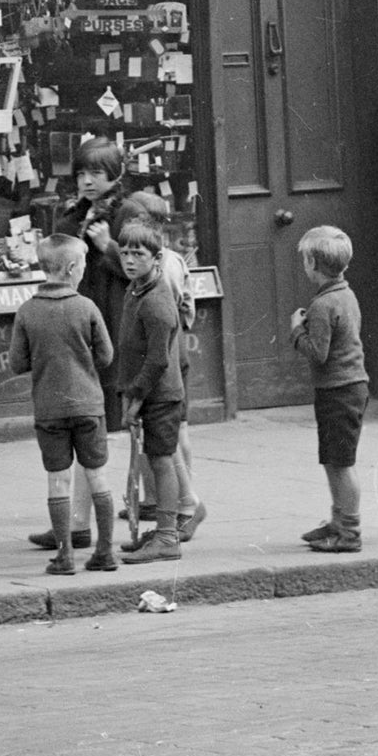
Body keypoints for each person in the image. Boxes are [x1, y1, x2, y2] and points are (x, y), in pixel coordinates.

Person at [6, 234, 117, 575]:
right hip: (88, 406)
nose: (84, 270)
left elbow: (17, 363)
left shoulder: (27, 311)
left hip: (50, 408)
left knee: (58, 480)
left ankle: (65, 555)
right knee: (97, 476)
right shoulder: (87, 307)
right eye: (83, 264)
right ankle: (104, 552)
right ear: (71, 268)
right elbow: (106, 356)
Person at [44, 138, 130, 545]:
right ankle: (78, 523)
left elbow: (144, 267)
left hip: (110, 328)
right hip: (77, 326)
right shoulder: (75, 213)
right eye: (81, 173)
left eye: (96, 172)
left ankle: (81, 524)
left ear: (116, 173)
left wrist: (107, 246)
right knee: (89, 424)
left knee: (95, 426)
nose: (87, 180)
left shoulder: (129, 212)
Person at [115, 215, 205, 541]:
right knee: (157, 460)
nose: (128, 260)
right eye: (124, 252)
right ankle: (163, 531)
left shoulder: (155, 300)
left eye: (137, 254)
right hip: (147, 392)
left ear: (157, 259)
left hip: (160, 394)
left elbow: (157, 360)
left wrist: (136, 398)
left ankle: (167, 535)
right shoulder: (137, 290)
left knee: (162, 462)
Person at [291, 225, 368, 554]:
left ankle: (349, 531)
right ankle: (338, 523)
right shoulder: (345, 294)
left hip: (339, 389)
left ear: (311, 263)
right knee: (334, 460)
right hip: (347, 386)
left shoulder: (323, 305)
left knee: (341, 463)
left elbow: (318, 354)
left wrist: (296, 331)